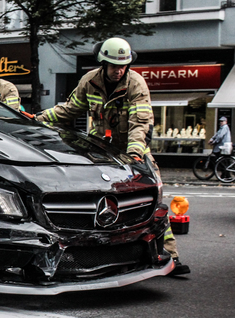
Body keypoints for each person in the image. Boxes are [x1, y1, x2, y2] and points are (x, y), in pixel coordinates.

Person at [36, 37, 190, 276]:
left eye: (122, 66)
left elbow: (140, 123)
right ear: (103, 63)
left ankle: (170, 257)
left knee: (153, 202)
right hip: (101, 153)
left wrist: (135, 155)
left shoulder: (136, 84)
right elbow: (70, 110)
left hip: (133, 152)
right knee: (101, 205)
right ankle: (104, 255)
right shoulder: (89, 81)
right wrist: (39, 118)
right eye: (113, 66)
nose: (118, 70)